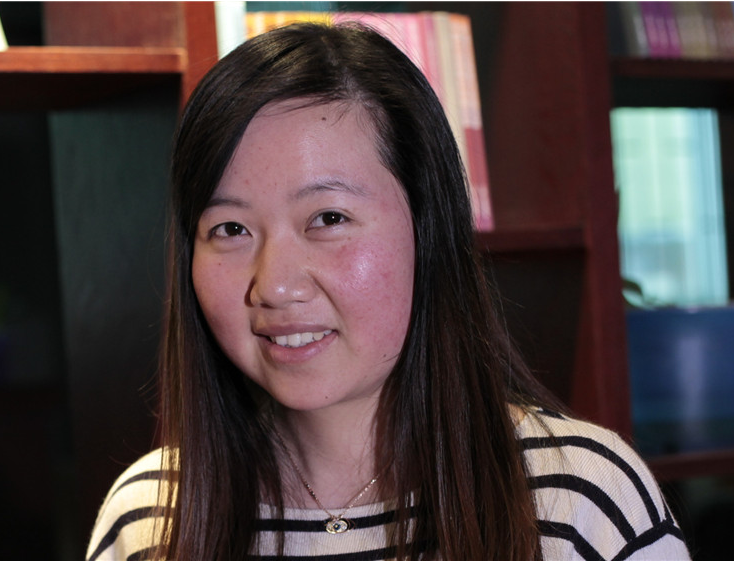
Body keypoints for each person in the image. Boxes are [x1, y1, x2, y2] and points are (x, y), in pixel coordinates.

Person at [85, 22, 690, 561]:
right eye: (231, 229)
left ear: (427, 228)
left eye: (328, 219)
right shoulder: (150, 519)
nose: (274, 285)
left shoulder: (580, 501)